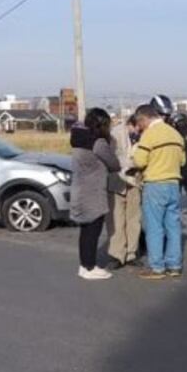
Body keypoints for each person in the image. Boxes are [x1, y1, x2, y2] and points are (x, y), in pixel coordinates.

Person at [132, 103, 185, 279]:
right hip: (174, 184)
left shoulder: (149, 135)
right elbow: (183, 160)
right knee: (173, 227)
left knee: (154, 227)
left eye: (139, 124)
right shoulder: (175, 134)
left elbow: (139, 161)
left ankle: (156, 267)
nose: (139, 128)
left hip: (155, 184)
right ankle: (174, 265)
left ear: (143, 119)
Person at [71, 108, 121, 280]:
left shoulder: (78, 139)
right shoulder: (98, 143)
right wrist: (111, 144)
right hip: (93, 194)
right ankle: (90, 268)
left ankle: (84, 266)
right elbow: (114, 164)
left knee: (85, 232)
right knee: (93, 232)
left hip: (79, 190)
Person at [106, 115, 142, 269]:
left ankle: (131, 254)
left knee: (134, 219)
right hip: (117, 180)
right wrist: (133, 163)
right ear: (131, 124)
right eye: (138, 127)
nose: (139, 131)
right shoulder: (115, 134)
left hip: (134, 181)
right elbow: (114, 157)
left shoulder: (142, 135)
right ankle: (117, 254)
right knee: (116, 220)